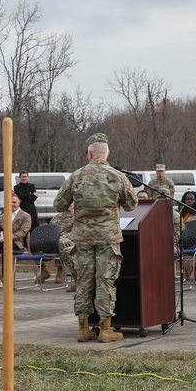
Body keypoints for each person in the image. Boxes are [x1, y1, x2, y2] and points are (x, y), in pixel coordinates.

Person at [53, 133, 137, 343]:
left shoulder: (76, 176)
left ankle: (83, 328)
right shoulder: (118, 176)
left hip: (82, 238)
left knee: (84, 281)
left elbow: (59, 204)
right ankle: (105, 329)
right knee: (105, 281)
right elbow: (131, 205)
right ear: (106, 154)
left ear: (90, 154)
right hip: (108, 239)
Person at [53, 203, 76, 293]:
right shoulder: (56, 218)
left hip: (73, 240)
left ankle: (73, 274)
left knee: (62, 243)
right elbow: (53, 230)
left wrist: (64, 237)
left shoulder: (78, 216)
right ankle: (44, 271)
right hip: (59, 240)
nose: (69, 204)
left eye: (71, 202)